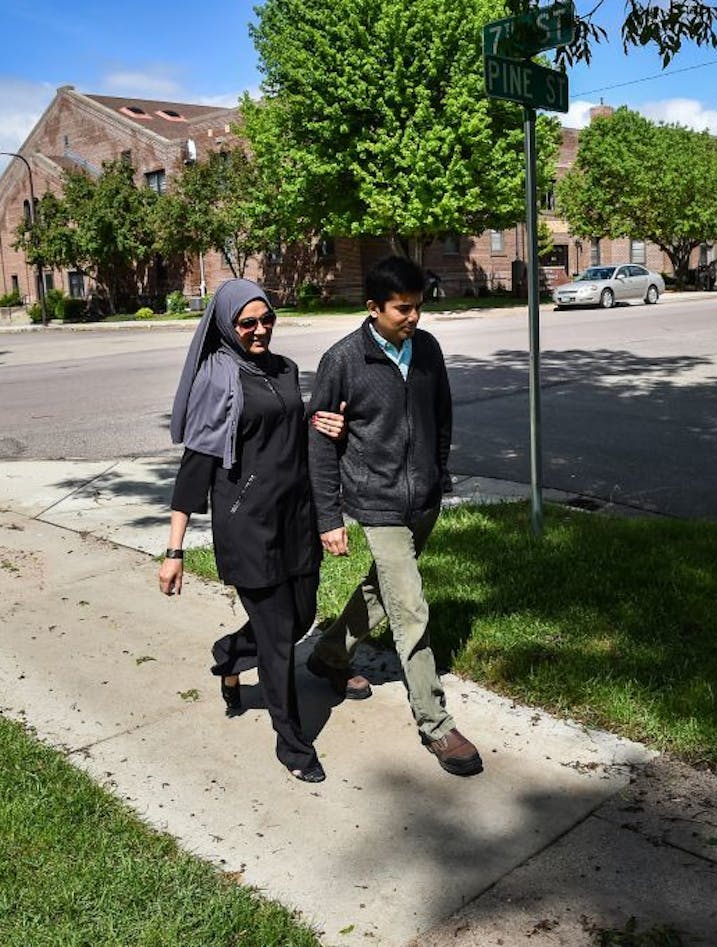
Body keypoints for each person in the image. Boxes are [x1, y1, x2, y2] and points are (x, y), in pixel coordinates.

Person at [305, 255, 483, 777]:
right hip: (377, 500)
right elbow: (320, 443)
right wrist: (328, 514)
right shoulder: (343, 359)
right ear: (373, 307)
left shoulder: (426, 349)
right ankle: (436, 723)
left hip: (423, 496)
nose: (413, 318)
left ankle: (330, 656)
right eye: (403, 309)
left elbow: (442, 417)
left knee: (381, 590)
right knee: (410, 607)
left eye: (418, 308)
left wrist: (439, 474)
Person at [159, 278, 343, 784]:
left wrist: (320, 423)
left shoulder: (284, 370)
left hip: (296, 517)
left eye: (267, 320)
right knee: (279, 641)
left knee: (300, 616)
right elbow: (195, 468)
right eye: (247, 323)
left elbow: (287, 427)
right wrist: (174, 549)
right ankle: (293, 745)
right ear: (226, 325)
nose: (260, 330)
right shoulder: (217, 382)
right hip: (248, 524)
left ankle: (230, 654)